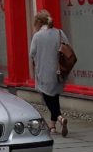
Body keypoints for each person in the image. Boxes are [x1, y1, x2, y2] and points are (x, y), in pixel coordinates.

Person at [29, 9, 68, 137]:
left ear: (39, 23)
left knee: (47, 98)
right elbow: (67, 47)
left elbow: (32, 53)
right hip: (58, 72)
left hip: (43, 72)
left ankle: (60, 118)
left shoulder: (37, 36)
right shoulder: (59, 32)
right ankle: (52, 126)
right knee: (54, 97)